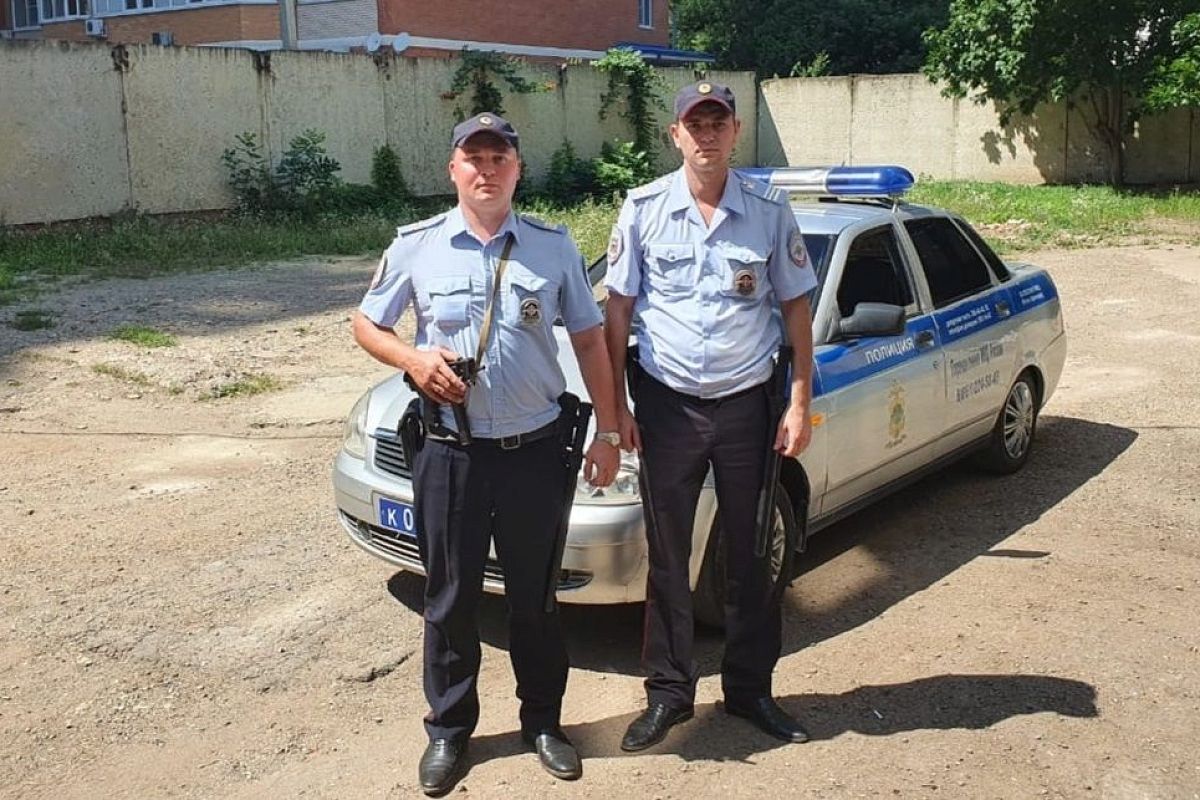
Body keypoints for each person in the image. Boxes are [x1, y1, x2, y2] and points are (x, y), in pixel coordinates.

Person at [352, 113, 621, 795]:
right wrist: (413, 360)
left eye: (499, 158)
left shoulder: (553, 247)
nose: (486, 170)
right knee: (449, 599)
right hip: (451, 454)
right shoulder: (416, 247)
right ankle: (448, 731)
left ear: (516, 170)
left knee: (534, 600)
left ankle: (544, 725)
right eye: (473, 158)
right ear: (453, 170)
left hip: (534, 453)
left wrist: (611, 431)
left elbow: (590, 342)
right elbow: (365, 322)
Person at [603, 81, 817, 751]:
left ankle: (750, 691)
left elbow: (795, 309)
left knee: (751, 554)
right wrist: (616, 410)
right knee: (667, 557)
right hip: (666, 406)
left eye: (718, 122)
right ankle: (668, 695)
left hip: (747, 406)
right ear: (676, 135)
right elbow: (617, 315)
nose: (706, 135)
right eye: (694, 124)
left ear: (735, 130)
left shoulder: (768, 212)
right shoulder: (641, 210)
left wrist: (800, 399)